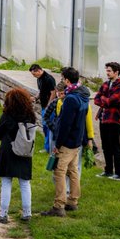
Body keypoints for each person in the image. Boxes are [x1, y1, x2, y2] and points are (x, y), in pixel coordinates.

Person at [41, 67, 86, 217]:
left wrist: (57, 145)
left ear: (67, 80)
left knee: (59, 172)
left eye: (62, 79)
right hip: (77, 141)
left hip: (67, 142)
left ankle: (58, 205)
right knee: (73, 171)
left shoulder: (71, 99)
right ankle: (73, 201)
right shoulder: (83, 93)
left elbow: (65, 124)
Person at [0, 85, 37, 223]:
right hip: (24, 150)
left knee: (6, 182)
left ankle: (3, 214)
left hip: (8, 150)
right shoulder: (30, 115)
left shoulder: (8, 115)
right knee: (24, 183)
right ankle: (27, 213)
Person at [93, 61, 120, 179]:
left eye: (109, 71)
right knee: (105, 146)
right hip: (103, 119)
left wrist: (105, 99)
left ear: (116, 72)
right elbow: (96, 100)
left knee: (115, 146)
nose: (107, 73)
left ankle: (118, 173)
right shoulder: (105, 84)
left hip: (115, 119)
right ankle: (108, 170)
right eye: (106, 70)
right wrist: (106, 99)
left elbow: (109, 101)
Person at [29, 63, 56, 154]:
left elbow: (53, 92)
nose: (33, 76)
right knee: (44, 126)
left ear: (39, 70)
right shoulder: (39, 79)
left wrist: (49, 104)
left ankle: (48, 148)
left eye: (34, 74)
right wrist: (35, 98)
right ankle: (48, 145)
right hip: (44, 105)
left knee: (48, 126)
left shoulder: (49, 79)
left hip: (49, 107)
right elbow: (40, 91)